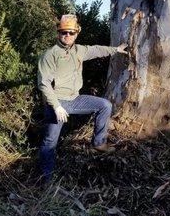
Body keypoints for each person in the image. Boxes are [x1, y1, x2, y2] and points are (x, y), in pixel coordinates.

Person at [37, 14, 127, 181]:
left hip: (75, 99)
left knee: (104, 105)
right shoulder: (50, 55)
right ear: (58, 33)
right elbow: (43, 84)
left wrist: (116, 50)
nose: (67, 36)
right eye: (64, 32)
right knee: (50, 142)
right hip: (57, 103)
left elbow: (96, 50)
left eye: (71, 33)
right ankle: (45, 178)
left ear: (77, 33)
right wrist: (56, 106)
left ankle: (98, 143)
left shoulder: (79, 50)